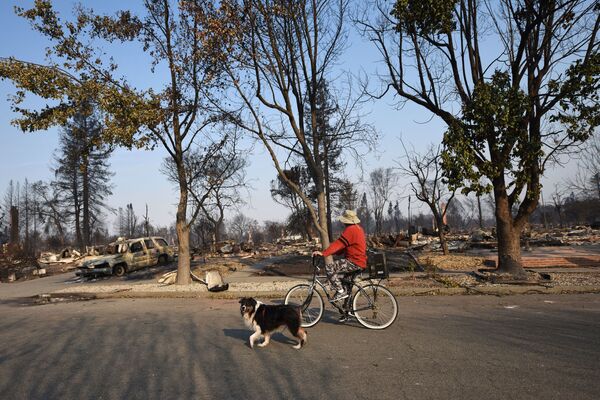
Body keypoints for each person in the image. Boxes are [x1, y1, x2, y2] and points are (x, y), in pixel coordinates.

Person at [312, 209, 367, 304]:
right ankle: (347, 312)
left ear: (346, 221)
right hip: (359, 262)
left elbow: (338, 244)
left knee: (330, 268)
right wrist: (335, 252)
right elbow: (345, 246)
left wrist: (324, 253)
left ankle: (340, 291)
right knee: (347, 286)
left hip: (354, 261)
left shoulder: (350, 230)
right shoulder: (358, 228)